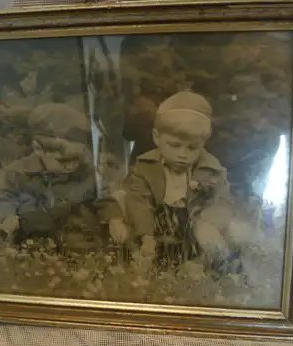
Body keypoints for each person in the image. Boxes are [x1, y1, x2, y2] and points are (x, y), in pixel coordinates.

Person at [99, 91, 238, 269]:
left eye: (192, 148)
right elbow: (138, 201)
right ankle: (139, 260)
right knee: (122, 201)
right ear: (157, 138)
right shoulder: (145, 167)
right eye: (174, 145)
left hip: (192, 224)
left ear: (203, 143)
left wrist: (208, 222)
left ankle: (201, 264)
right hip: (155, 222)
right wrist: (146, 236)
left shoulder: (212, 170)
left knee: (225, 233)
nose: (182, 154)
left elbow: (223, 202)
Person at [0, 102, 100, 247]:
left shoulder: (86, 173)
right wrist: (9, 217)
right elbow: (2, 204)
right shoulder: (16, 174)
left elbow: (102, 198)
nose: (70, 166)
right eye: (63, 159)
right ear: (39, 149)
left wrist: (114, 217)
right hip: (30, 249)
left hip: (77, 250)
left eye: (76, 159)